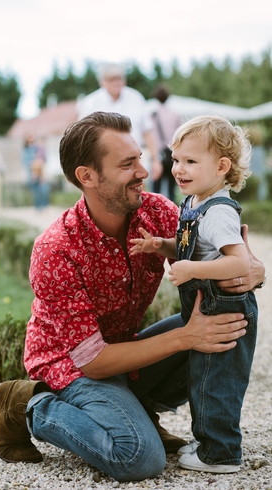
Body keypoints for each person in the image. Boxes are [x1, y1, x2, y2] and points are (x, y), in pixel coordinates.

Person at [0, 112, 265, 482]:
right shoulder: (56, 250)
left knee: (226, 327)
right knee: (138, 457)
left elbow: (231, 254)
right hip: (72, 367)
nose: (144, 171)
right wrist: (187, 336)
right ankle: (26, 405)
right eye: (127, 164)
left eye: (139, 158)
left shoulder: (157, 213)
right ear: (87, 176)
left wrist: (254, 272)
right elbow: (93, 362)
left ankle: (140, 407)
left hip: (124, 351)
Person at [130, 114, 259, 473]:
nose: (178, 169)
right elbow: (194, 247)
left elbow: (238, 263)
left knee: (217, 383)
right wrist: (162, 245)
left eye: (190, 161)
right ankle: (209, 445)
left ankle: (220, 454)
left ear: (221, 166)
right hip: (206, 306)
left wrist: (192, 271)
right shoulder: (194, 203)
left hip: (225, 309)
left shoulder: (218, 212)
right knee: (202, 377)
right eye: (175, 159)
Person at [77, 62, 163, 188]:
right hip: (104, 163)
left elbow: (148, 132)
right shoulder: (91, 103)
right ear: (102, 81)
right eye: (111, 79)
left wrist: (156, 160)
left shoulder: (136, 98)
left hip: (135, 161)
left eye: (119, 78)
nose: (116, 82)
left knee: (136, 199)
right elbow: (83, 136)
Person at [151, 85, 181, 202]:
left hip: (157, 155)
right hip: (171, 154)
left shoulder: (153, 115)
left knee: (155, 189)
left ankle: (155, 214)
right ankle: (172, 214)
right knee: (171, 188)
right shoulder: (175, 114)